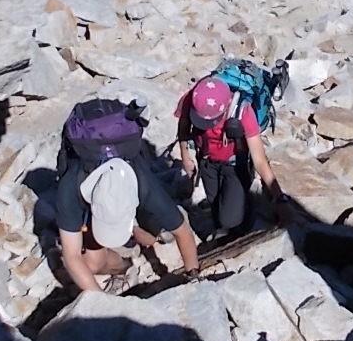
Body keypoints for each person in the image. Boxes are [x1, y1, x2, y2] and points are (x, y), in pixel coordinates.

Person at [55, 105, 200, 294]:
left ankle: (132, 242)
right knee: (92, 264)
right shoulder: (70, 190)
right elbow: (71, 257)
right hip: (87, 182)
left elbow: (183, 232)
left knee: (148, 237)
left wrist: (194, 275)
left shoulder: (144, 186)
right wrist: (103, 303)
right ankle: (123, 265)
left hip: (125, 178)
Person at [176, 75, 283, 238]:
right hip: (207, 161)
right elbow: (183, 126)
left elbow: (260, 160)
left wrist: (280, 198)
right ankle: (227, 224)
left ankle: (243, 215)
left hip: (235, 165)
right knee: (214, 202)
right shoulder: (192, 100)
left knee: (229, 218)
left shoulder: (243, 112)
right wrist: (185, 155)